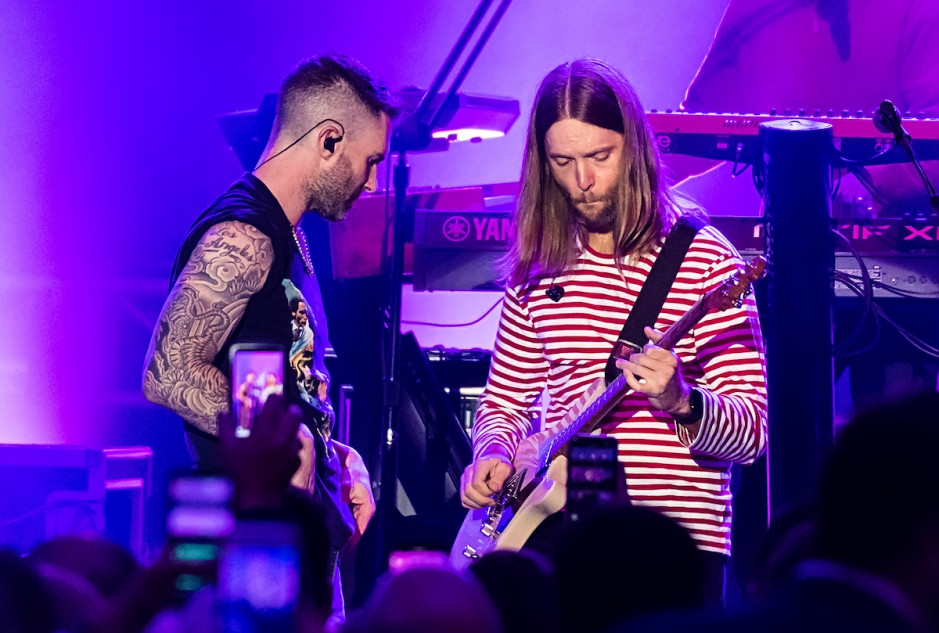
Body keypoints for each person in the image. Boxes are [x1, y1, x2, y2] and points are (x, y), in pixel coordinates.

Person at [459, 59, 768, 604]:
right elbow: (505, 402)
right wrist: (493, 452)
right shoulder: (539, 265)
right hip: (563, 540)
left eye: (600, 157)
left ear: (634, 147)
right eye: (564, 162)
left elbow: (754, 434)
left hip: (672, 549)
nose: (583, 181)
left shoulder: (706, 260)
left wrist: (683, 402)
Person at [142, 54, 393, 620]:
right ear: (329, 140)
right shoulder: (243, 233)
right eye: (370, 161)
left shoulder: (290, 235)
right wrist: (281, 438)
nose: (373, 182)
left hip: (297, 535)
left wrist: (334, 454)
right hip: (252, 550)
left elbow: (286, 382)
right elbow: (168, 373)